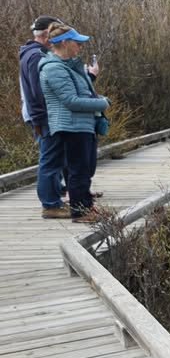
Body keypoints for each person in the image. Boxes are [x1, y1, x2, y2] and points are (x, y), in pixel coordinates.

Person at [38, 22, 109, 223]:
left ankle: (86, 208)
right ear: (65, 43)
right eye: (77, 42)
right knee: (78, 170)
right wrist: (101, 103)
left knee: (83, 170)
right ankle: (80, 212)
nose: (80, 46)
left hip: (80, 125)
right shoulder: (54, 68)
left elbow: (78, 94)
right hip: (71, 126)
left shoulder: (67, 66)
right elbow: (71, 101)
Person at [18, 15, 67, 218]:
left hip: (43, 116)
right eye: (55, 30)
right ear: (46, 34)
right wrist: (40, 120)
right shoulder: (36, 56)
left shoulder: (34, 53)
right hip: (44, 117)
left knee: (54, 158)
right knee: (49, 159)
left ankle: (55, 197)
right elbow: (37, 95)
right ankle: (50, 204)